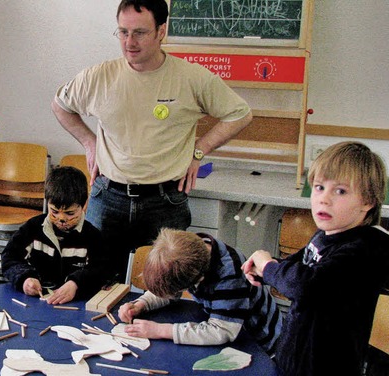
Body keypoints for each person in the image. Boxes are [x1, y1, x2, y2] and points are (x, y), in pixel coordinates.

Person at [51, 0, 253, 281]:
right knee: (95, 282)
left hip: (165, 202)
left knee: (165, 287)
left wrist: (199, 151)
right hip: (107, 197)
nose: (129, 42)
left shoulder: (191, 78)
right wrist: (89, 142)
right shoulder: (98, 77)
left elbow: (240, 114)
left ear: (161, 31)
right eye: (123, 32)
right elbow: (61, 106)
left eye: (139, 33)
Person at [242, 141, 389, 376]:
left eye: (340, 191)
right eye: (319, 187)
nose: (324, 199)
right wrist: (265, 270)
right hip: (294, 360)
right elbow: (297, 267)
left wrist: (269, 267)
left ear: (368, 201)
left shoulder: (366, 248)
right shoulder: (329, 232)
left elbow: (306, 285)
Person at [118, 228, 281, 353]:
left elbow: (222, 330)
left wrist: (161, 330)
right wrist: (142, 303)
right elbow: (172, 285)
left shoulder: (231, 276)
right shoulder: (189, 249)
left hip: (260, 343)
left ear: (197, 280)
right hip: (231, 326)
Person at [1, 166, 108, 304]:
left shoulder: (92, 236)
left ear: (84, 205)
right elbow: (9, 257)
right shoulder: (33, 228)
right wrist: (24, 279)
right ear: (48, 202)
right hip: (34, 302)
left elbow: (101, 270)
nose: (61, 219)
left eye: (70, 213)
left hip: (75, 305)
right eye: (55, 211)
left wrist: (75, 284)